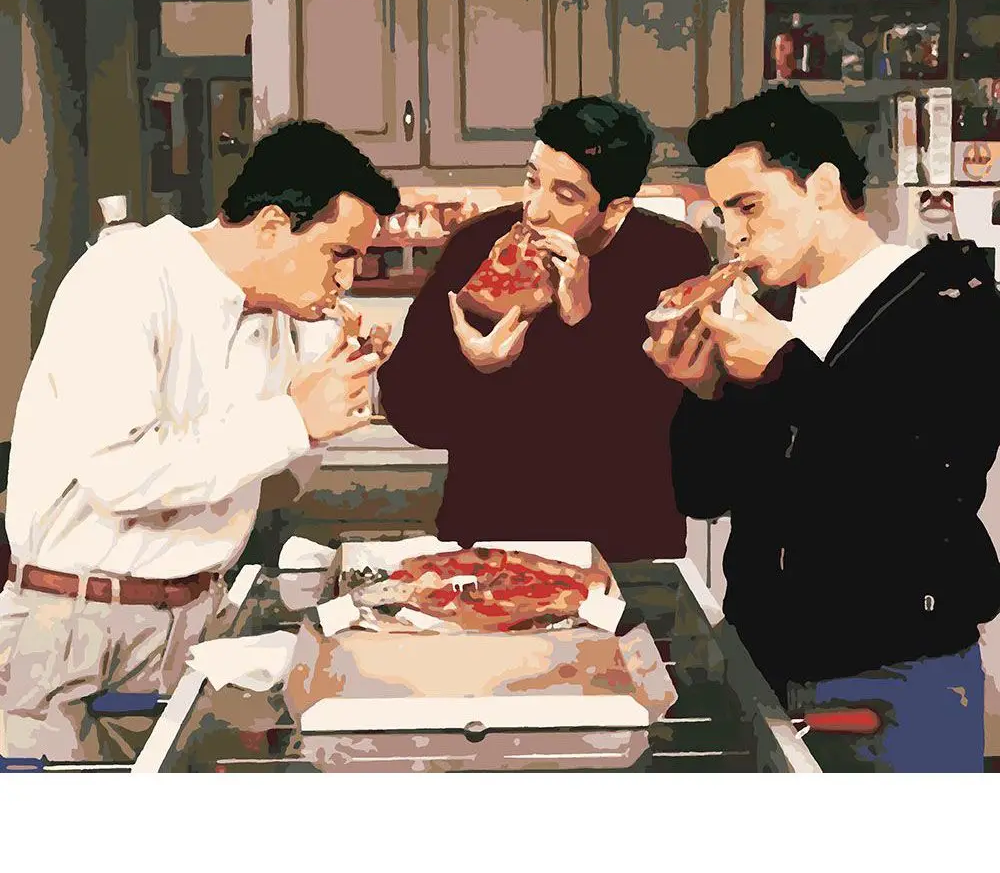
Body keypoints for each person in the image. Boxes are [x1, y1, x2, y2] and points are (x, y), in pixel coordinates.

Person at [0, 120, 399, 762]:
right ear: (272, 226)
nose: (347, 280)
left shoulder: (277, 318)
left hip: (196, 623)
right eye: (338, 254)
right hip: (74, 629)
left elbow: (275, 487)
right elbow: (120, 475)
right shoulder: (126, 276)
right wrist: (294, 419)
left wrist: (332, 390)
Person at [645, 85, 1000, 772]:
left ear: (825, 186)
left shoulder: (952, 303)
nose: (733, 234)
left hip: (898, 677)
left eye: (749, 206)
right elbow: (703, 493)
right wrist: (705, 394)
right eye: (723, 214)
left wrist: (785, 372)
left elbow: (927, 490)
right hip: (763, 665)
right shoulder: (766, 312)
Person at [377, 96, 711, 560]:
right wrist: (476, 369)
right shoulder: (476, 246)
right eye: (532, 180)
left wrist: (583, 320)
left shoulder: (673, 256)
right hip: (491, 541)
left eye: (566, 196)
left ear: (616, 210)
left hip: (626, 544)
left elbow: (677, 427)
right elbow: (408, 412)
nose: (534, 210)